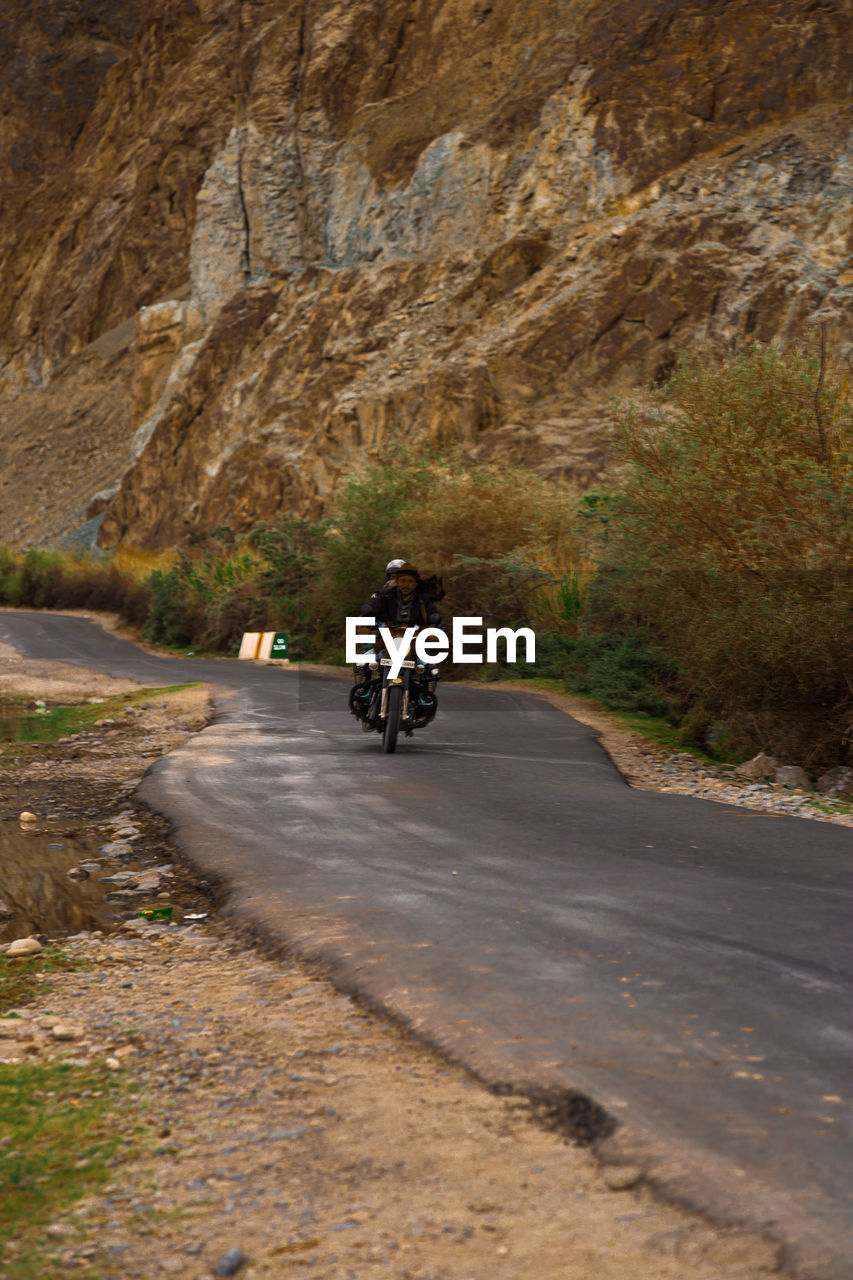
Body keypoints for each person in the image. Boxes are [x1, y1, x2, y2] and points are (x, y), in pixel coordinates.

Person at [350, 561, 442, 724]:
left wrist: (434, 629)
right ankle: (363, 694)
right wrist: (366, 624)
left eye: (407, 579)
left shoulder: (422, 599)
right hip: (384, 637)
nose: (402, 582)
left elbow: (433, 616)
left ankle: (424, 700)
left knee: (430, 666)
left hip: (412, 640)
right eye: (396, 577)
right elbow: (369, 611)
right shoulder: (382, 595)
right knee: (363, 660)